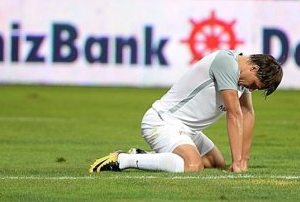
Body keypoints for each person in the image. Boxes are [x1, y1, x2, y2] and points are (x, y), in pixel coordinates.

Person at [89, 50, 283, 174]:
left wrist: (243, 161)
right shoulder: (227, 63)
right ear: (253, 67)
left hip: (187, 130)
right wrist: (237, 162)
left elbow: (247, 113)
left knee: (215, 161)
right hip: (163, 122)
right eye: (256, 85)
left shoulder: (242, 77)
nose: (253, 90)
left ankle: (145, 155)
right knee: (193, 165)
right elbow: (234, 114)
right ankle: (122, 160)